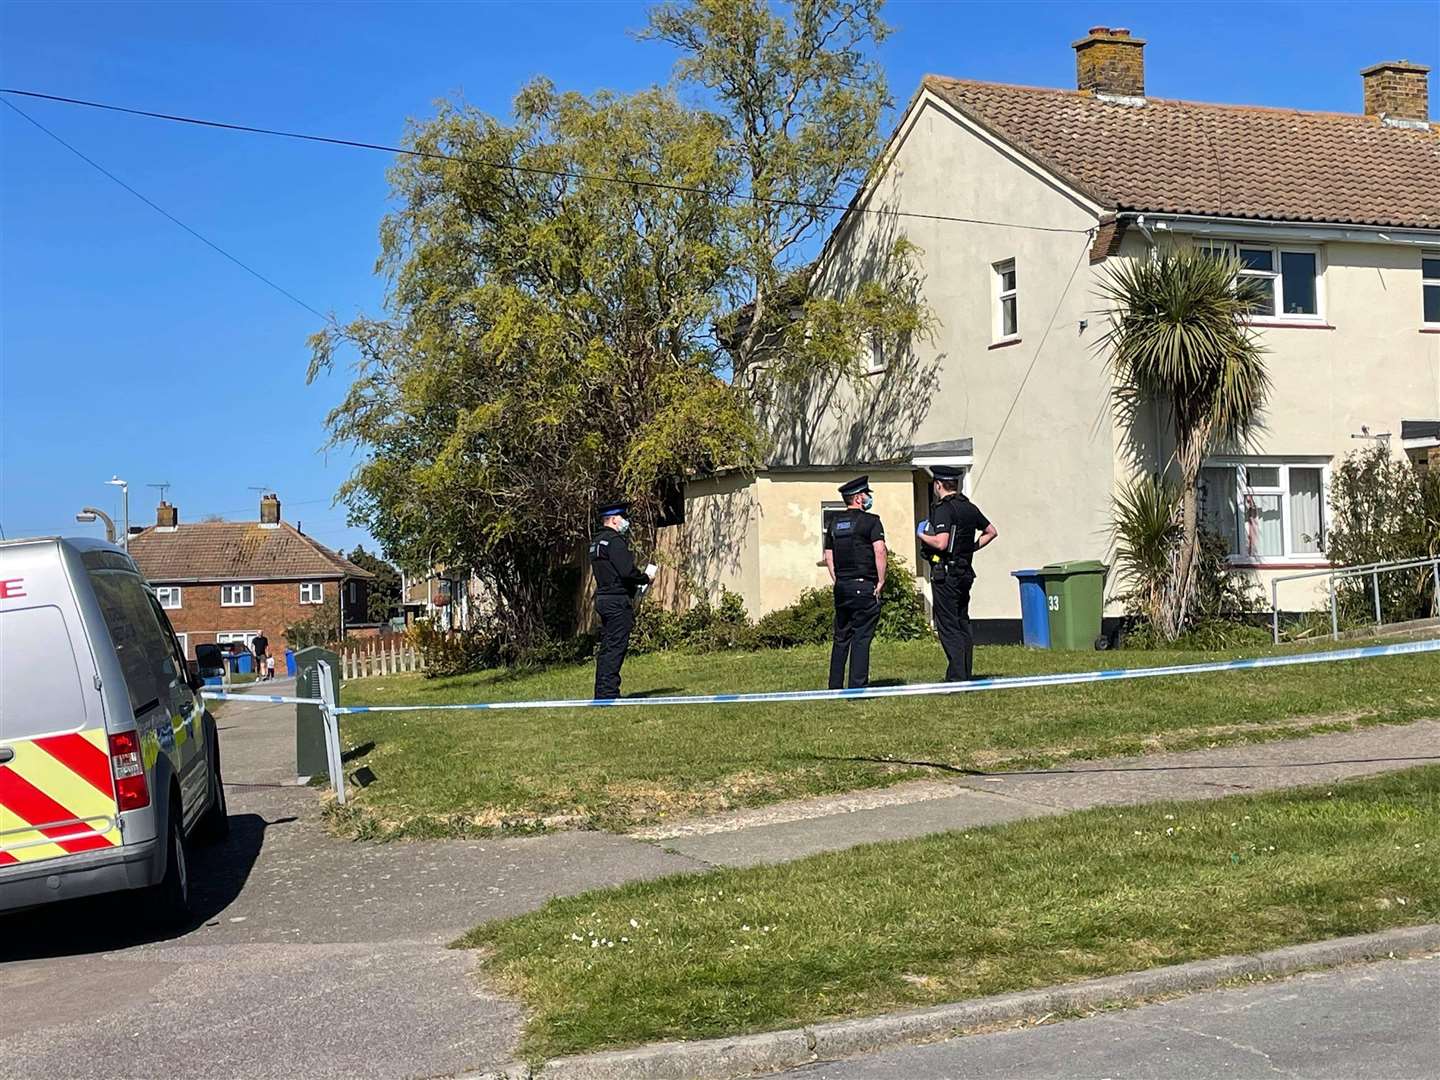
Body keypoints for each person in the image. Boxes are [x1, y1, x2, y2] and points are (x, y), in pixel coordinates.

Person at [916, 465, 997, 681]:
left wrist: (922, 535)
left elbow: (941, 543)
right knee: (962, 622)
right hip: (964, 571)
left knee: (948, 625)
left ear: (939, 484)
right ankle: (964, 672)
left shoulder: (944, 509)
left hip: (947, 574)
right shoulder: (969, 507)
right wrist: (970, 548)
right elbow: (991, 532)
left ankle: (957, 677)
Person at [589, 499, 657, 700]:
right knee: (616, 646)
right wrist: (646, 578)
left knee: (608, 646)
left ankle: (602, 692)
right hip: (618, 601)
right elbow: (627, 572)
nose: (626, 521)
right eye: (623, 517)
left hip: (603, 599)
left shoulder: (596, 543)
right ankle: (609, 693)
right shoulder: (615, 542)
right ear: (614, 520)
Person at [823, 475, 886, 690]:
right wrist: (881, 580)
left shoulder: (834, 523)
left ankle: (834, 686)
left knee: (841, 636)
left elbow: (828, 555)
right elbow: (879, 550)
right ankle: (857, 686)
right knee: (861, 637)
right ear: (859, 498)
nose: (869, 498)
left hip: (842, 587)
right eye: (866, 495)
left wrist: (837, 578)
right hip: (864, 585)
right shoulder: (871, 521)